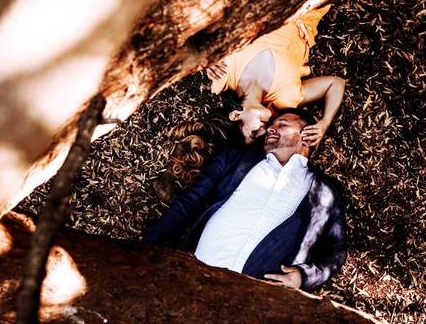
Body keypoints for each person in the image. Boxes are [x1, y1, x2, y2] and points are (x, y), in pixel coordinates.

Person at [144, 110, 348, 292]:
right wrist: (146, 247)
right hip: (192, 276)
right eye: (271, 126)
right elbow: (189, 201)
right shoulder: (236, 157)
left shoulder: (326, 192)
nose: (271, 130)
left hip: (253, 299)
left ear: (307, 137)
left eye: (283, 125)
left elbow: (335, 250)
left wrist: (304, 277)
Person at [206, 6, 346, 148]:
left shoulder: (222, 75)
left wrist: (207, 57)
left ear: (235, 115)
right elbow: (335, 83)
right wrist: (325, 121)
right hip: (308, 7)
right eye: (265, 134)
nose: (265, 129)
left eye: (254, 133)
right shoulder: (284, 99)